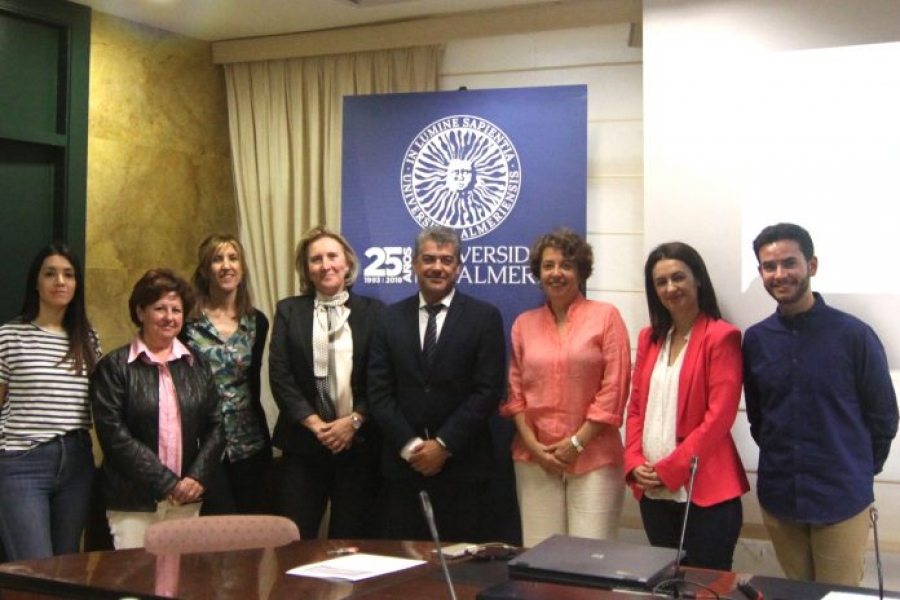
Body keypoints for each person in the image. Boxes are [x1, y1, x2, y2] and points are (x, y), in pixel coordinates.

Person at [743, 222, 898, 585]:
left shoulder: (854, 336)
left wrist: (855, 470)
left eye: (789, 263)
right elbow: (759, 419)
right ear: (761, 273)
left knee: (836, 596)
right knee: (796, 594)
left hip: (841, 500)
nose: (780, 274)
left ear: (811, 265)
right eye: (769, 266)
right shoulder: (756, 340)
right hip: (781, 498)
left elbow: (884, 418)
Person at [368, 225, 506, 542]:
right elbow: (378, 392)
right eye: (429, 258)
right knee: (406, 569)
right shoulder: (388, 320)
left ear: (458, 266)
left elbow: (487, 392)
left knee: (461, 567)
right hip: (403, 469)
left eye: (446, 260)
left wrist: (443, 446)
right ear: (414, 263)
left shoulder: (484, 318)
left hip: (463, 467)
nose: (437, 267)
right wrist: (413, 448)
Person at [500, 228, 630, 548]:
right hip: (535, 460)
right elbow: (515, 393)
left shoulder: (606, 317)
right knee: (541, 560)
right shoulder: (523, 324)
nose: (556, 273)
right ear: (539, 272)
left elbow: (615, 388)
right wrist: (532, 445)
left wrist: (576, 443)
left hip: (595, 457)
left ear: (580, 271)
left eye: (566, 265)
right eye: (548, 265)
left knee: (590, 561)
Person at [624, 242, 749, 570]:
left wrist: (671, 470)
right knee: (667, 586)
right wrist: (634, 461)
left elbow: (720, 417)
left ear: (699, 280)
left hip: (706, 491)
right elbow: (636, 407)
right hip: (653, 492)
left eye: (678, 277)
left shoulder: (722, 337)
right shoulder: (649, 338)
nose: (670, 287)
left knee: (706, 587)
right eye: (661, 282)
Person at [91, 269, 224, 549]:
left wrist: (196, 477)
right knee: (135, 586)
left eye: (176, 310)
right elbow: (114, 436)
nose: (169, 317)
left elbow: (216, 425)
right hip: (133, 503)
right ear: (140, 312)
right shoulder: (115, 367)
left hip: (187, 500)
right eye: (159, 308)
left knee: (182, 585)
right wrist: (167, 483)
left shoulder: (197, 365)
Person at [269, 226, 384, 539]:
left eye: (332, 256)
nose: (325, 265)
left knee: (351, 541)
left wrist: (354, 421)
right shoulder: (289, 311)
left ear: (346, 262)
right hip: (304, 445)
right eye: (315, 259)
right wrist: (317, 425)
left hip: (358, 445)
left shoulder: (374, 313)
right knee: (294, 541)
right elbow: (280, 375)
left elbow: (381, 378)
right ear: (307, 269)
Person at [0, 242, 101, 560]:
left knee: (67, 568)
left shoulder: (87, 338)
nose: (60, 281)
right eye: (51, 274)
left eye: (68, 275)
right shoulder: (9, 336)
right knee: (35, 569)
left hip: (77, 463)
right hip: (22, 464)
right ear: (36, 282)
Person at [183, 234, 272, 515]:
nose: (226, 266)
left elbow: (253, 382)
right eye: (217, 259)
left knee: (251, 532)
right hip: (202, 445)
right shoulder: (186, 321)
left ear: (242, 268)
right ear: (204, 270)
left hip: (249, 443)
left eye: (233, 258)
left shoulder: (257, 321)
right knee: (216, 533)